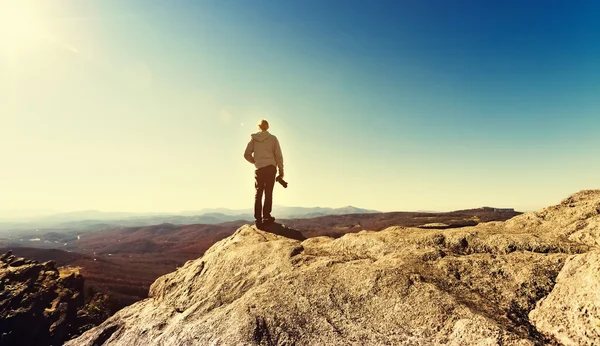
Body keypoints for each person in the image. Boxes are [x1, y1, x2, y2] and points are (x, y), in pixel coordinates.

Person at [244, 119, 284, 227]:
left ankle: (258, 219)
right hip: (271, 168)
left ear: (259, 127)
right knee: (268, 192)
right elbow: (278, 156)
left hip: (259, 169)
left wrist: (255, 161)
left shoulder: (254, 139)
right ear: (268, 127)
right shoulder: (273, 139)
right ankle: (266, 217)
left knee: (258, 193)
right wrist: (281, 172)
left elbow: (246, 154)